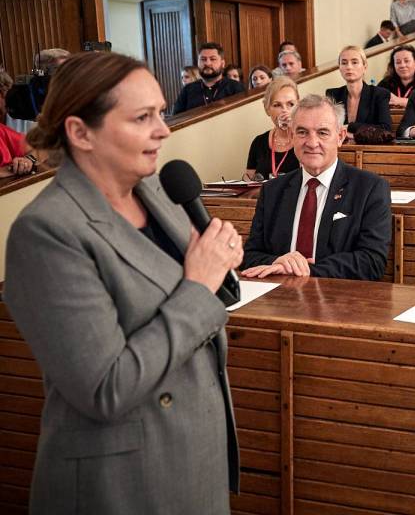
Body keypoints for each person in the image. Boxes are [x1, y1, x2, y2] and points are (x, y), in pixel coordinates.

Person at [5, 52, 241, 513]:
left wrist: (218, 263)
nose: (163, 130)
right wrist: (199, 285)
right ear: (80, 132)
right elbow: (105, 388)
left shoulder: (156, 191)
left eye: (161, 112)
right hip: (122, 480)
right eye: (142, 117)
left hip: (193, 452)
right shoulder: (46, 232)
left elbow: (202, 297)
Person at [241, 94, 391, 280]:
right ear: (292, 136)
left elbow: (372, 262)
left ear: (340, 137)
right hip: (280, 293)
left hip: (336, 294)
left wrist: (308, 270)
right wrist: (278, 262)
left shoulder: (370, 189)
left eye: (322, 132)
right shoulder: (272, 190)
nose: (312, 143)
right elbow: (250, 256)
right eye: (302, 132)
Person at [326, 46, 392, 142]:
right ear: (339, 68)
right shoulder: (333, 94)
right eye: (344, 63)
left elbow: (385, 130)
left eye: (354, 62)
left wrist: (351, 128)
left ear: (365, 67)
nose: (349, 67)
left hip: (369, 149)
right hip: (339, 148)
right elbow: (327, 127)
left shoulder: (379, 94)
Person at [244, 76, 301, 180]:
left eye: (291, 104)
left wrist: (296, 131)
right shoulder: (258, 142)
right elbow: (248, 178)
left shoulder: (306, 140)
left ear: (299, 106)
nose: (284, 110)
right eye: (277, 105)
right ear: (267, 109)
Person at [172, 42, 244, 114]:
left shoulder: (236, 87)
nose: (207, 63)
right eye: (203, 59)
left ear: (223, 63)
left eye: (213, 59)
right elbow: (176, 118)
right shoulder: (187, 90)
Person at [379, 44, 415, 109]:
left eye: (406, 61)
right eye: (398, 62)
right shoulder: (386, 83)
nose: (402, 65)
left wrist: (401, 101)